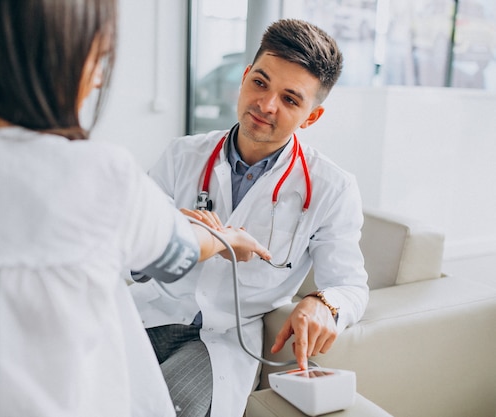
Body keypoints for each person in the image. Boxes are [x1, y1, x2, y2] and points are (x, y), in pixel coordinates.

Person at [0, 1, 272, 416]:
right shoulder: (91, 173)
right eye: (97, 55)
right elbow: (179, 251)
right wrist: (225, 237)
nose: (98, 78)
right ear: (46, 48)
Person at [129, 19, 369, 417]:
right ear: (244, 78)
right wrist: (183, 238)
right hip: (149, 313)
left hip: (220, 339)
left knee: (167, 408)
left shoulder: (332, 188)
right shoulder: (182, 155)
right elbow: (130, 251)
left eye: (291, 99)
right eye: (260, 83)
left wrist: (323, 302)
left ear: (311, 117)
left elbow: (350, 286)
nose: (266, 104)